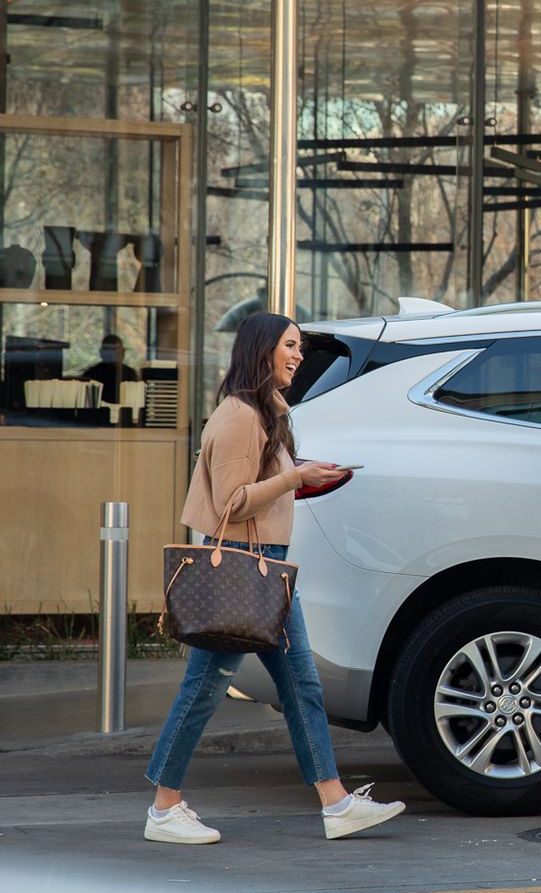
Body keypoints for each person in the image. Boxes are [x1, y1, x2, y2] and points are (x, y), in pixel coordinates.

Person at [144, 312, 405, 844]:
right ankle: (164, 808)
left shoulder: (264, 413)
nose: (299, 355)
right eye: (291, 345)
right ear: (262, 350)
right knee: (203, 689)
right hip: (244, 565)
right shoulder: (241, 416)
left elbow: (260, 487)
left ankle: (335, 803)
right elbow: (232, 503)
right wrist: (296, 476)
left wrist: (308, 477)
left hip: (265, 566)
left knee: (301, 684)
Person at [82, 334, 141, 405]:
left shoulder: (130, 373)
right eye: (109, 351)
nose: (112, 355)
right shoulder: (91, 373)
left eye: (115, 351)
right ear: (102, 352)